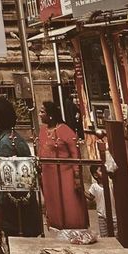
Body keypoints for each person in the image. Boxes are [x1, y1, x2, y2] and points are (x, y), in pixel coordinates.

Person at [0, 97, 42, 239]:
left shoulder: (7, 144)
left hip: (15, 218)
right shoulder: (14, 139)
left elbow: (9, 188)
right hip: (22, 216)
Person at [37, 100, 88, 234]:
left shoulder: (65, 130)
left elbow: (75, 154)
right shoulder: (42, 131)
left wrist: (76, 175)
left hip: (65, 174)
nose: (40, 114)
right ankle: (56, 226)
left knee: (69, 201)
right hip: (48, 174)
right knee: (53, 201)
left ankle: (74, 228)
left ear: (51, 115)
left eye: (42, 112)